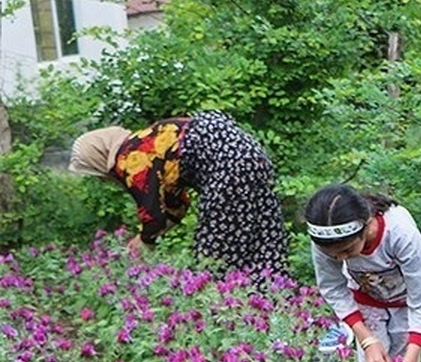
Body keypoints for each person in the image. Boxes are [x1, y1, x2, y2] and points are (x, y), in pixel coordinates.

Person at [68, 111, 290, 277]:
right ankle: (272, 301)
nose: (100, 179)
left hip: (228, 166)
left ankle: (223, 310)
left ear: (98, 160)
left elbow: (152, 215)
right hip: (251, 155)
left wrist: (143, 242)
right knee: (263, 237)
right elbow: (175, 203)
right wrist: (158, 230)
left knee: (213, 258)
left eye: (94, 173)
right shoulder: (148, 141)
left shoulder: (131, 159)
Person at [305, 184, 421, 362]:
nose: (339, 258)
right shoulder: (326, 239)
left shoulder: (400, 233)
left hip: (406, 306)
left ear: (366, 226)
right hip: (365, 304)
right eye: (333, 254)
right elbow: (333, 288)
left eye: (347, 251)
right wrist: (367, 340)